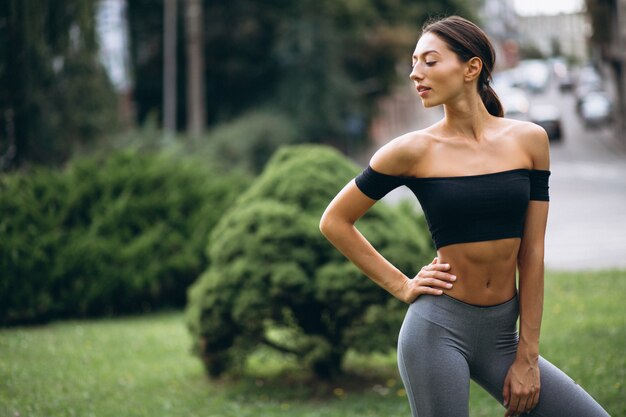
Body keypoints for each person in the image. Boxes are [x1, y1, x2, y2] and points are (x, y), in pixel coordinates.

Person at [318, 15, 610, 417]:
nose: (415, 73)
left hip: (503, 338)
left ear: (471, 67)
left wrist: (528, 355)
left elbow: (533, 251)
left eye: (430, 61)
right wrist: (403, 286)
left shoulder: (529, 141)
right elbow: (334, 221)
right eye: (414, 62)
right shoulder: (410, 151)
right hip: (436, 330)